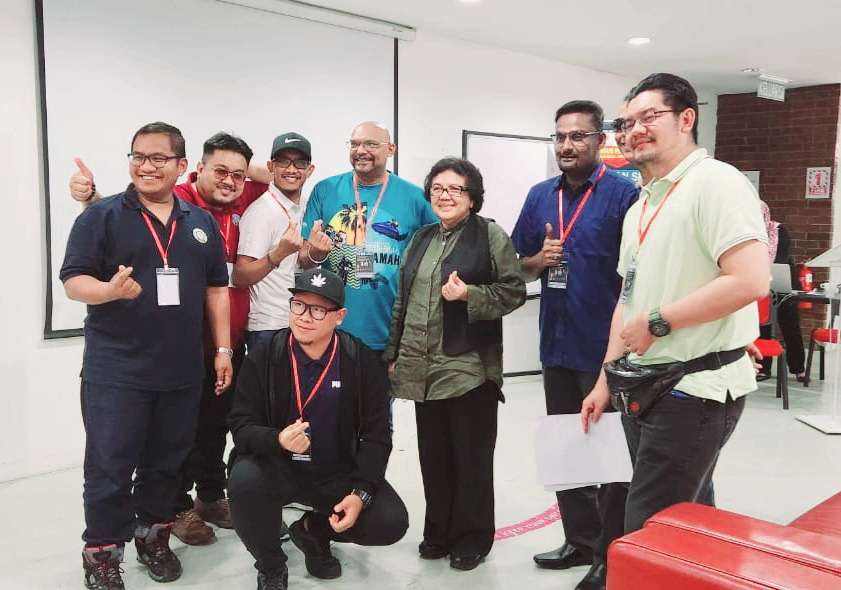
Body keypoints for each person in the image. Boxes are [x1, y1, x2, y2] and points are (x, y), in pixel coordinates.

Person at [581, 74, 769, 542]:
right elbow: (627, 299)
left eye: (649, 117)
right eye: (626, 123)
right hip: (643, 384)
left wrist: (660, 321)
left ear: (686, 119)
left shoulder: (716, 183)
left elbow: (750, 280)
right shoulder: (641, 206)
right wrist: (605, 380)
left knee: (650, 529)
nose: (634, 130)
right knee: (687, 522)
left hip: (694, 388)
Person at [70, 132, 270, 546]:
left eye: (159, 159)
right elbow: (75, 279)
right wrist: (108, 290)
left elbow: (217, 288)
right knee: (110, 465)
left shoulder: (201, 221)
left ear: (180, 166)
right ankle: (104, 551)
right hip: (118, 369)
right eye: (140, 157)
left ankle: (155, 538)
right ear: (196, 169)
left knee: (169, 460)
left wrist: (223, 350)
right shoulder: (104, 215)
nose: (148, 166)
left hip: (185, 366)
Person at [510, 101, 638, 590]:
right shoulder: (540, 196)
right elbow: (518, 266)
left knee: (610, 456)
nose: (566, 145)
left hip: (605, 349)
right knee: (566, 449)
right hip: (556, 345)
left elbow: (638, 275)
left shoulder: (624, 197)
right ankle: (579, 541)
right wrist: (537, 260)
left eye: (578, 136)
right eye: (560, 136)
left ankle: (609, 554)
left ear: (599, 139)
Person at [385, 157, 526, 571]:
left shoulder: (490, 235)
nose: (444, 195)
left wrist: (470, 296)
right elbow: (402, 301)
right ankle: (439, 532)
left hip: (469, 369)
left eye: (455, 189)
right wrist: (393, 355)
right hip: (422, 369)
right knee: (434, 457)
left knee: (471, 458)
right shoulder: (421, 238)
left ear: (472, 197)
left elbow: (513, 291)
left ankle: (472, 538)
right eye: (438, 188)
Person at [228, 268, 408, 590]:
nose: (304, 317)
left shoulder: (360, 361)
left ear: (339, 316)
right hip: (279, 467)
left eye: (318, 310)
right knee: (244, 481)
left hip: (334, 470)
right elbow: (241, 427)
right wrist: (277, 440)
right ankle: (271, 566)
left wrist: (361, 493)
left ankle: (313, 531)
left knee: (390, 521)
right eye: (298, 305)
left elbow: (377, 436)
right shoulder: (265, 355)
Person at [301, 121, 438, 353]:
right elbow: (304, 261)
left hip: (391, 335)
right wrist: (315, 253)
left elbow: (440, 255)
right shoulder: (325, 190)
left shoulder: (416, 198)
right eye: (355, 144)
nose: (360, 151)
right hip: (331, 333)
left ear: (391, 149)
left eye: (371, 144)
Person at [232, 133, 333, 351]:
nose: (291, 169)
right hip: (268, 326)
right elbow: (240, 276)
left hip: (300, 322)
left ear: (310, 170)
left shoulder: (307, 207)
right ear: (271, 167)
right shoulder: (260, 213)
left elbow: (301, 263)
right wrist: (279, 253)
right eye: (283, 161)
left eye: (299, 163)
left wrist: (317, 253)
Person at [758, 201, 806, 381]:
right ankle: (764, 368)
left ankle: (798, 368)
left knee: (790, 326)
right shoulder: (750, 234)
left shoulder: (779, 231)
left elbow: (781, 258)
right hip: (762, 287)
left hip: (785, 286)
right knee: (763, 326)